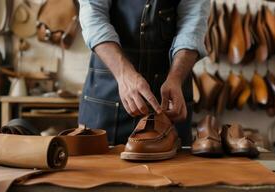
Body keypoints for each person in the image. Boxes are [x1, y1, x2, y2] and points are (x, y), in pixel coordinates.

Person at [78, 0, 210, 145]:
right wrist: (123, 75)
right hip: (105, 98)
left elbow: (193, 25)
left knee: (173, 167)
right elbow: (93, 17)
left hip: (169, 103)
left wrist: (176, 78)